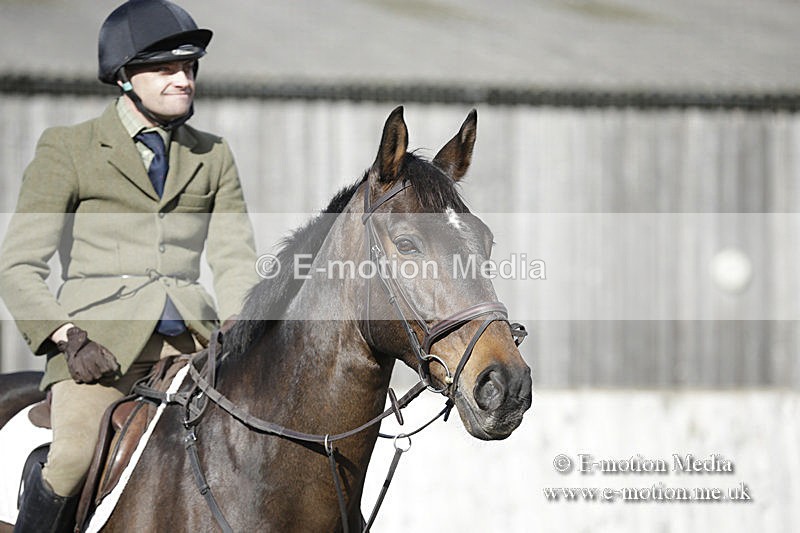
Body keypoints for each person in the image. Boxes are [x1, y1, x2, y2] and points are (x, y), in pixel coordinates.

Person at [0, 1, 260, 531]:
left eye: (189, 68)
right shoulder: (68, 149)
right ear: (124, 76)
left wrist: (239, 328)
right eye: (166, 68)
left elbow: (234, 257)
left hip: (193, 340)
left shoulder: (213, 155)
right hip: (97, 351)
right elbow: (18, 264)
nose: (183, 80)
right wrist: (66, 335)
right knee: (71, 457)